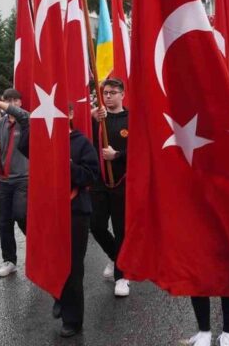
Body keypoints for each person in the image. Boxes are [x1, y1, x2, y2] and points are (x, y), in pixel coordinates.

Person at [18, 104, 99, 338]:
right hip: (47, 210)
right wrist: (32, 123)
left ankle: (72, 319)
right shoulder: (44, 140)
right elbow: (24, 146)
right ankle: (60, 296)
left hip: (75, 210)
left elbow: (91, 176)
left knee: (72, 266)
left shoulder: (82, 143)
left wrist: (68, 165)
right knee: (51, 259)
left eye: (62, 110)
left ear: (71, 115)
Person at [90, 78, 131, 297]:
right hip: (100, 182)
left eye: (113, 92)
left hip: (122, 182)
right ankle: (116, 256)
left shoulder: (131, 118)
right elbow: (82, 139)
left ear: (122, 94)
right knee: (96, 225)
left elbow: (141, 149)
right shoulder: (98, 118)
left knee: (120, 228)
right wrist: (91, 118)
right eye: (105, 92)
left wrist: (118, 155)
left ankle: (122, 276)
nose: (108, 96)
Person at [0, 90, 29, 278]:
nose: (11, 103)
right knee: (4, 221)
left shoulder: (26, 120)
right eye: (8, 100)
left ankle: (38, 245)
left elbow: (19, 113)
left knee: (21, 214)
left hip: (23, 178)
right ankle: (9, 260)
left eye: (14, 100)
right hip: (3, 178)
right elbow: (1, 151)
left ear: (20, 102)